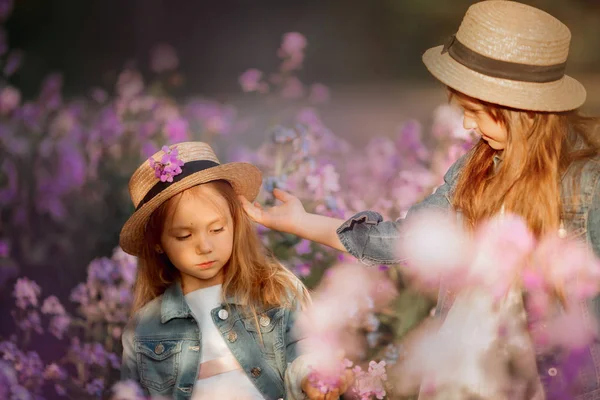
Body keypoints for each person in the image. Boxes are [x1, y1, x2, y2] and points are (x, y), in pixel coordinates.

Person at [240, 1, 600, 398]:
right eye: (464, 110)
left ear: (524, 113)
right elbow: (404, 239)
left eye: (478, 112)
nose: (467, 124)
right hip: (467, 375)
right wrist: (300, 222)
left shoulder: (588, 183)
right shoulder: (474, 170)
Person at [119, 142, 351, 400]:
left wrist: (314, 378)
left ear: (235, 222)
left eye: (217, 229)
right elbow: (131, 393)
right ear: (159, 244)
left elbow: (303, 351)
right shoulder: (144, 327)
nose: (205, 247)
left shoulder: (273, 291)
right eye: (184, 236)